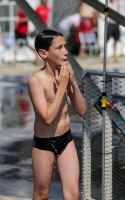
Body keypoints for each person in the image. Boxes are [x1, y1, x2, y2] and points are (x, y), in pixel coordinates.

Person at [28, 29, 87, 200]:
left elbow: (82, 111)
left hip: (66, 140)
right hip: (44, 143)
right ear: (43, 53)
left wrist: (73, 84)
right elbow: (47, 118)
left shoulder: (64, 75)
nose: (66, 52)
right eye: (59, 48)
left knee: (73, 194)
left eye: (65, 46)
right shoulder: (36, 80)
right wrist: (62, 86)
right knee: (42, 195)